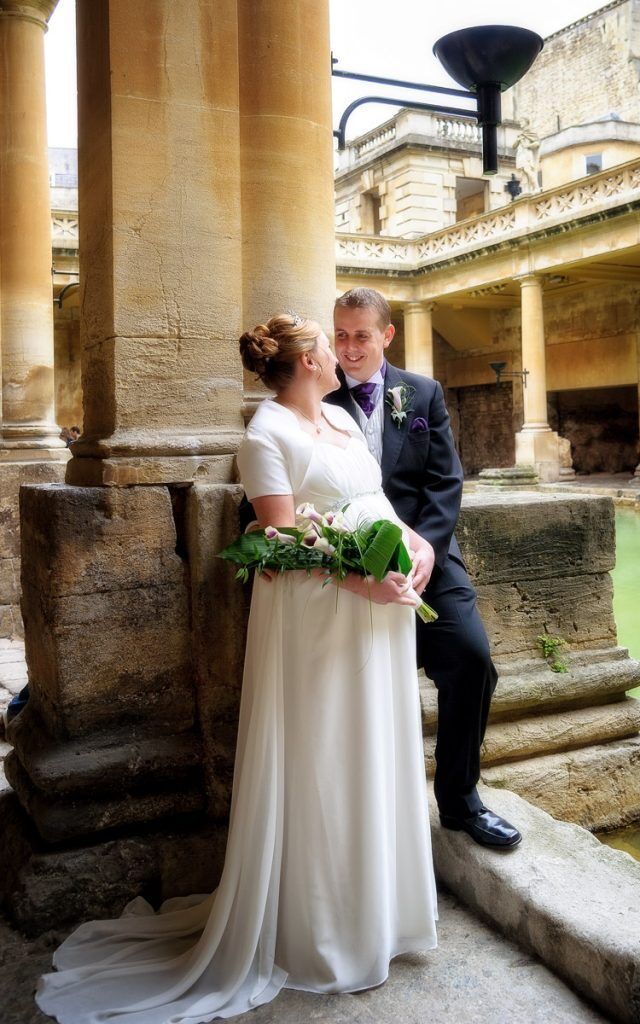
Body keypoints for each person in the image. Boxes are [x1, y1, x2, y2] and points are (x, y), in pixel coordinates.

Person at [35, 314, 438, 1023]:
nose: (337, 349)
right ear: (310, 358)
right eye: (325, 339)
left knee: (376, 750)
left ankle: (386, 915)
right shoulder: (265, 437)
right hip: (318, 616)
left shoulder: (343, 420)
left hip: (382, 609)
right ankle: (324, 934)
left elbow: (371, 502)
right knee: (326, 760)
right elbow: (282, 541)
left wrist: (416, 547)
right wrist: (364, 583)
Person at [325, 287, 522, 850]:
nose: (350, 347)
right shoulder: (316, 394)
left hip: (427, 555)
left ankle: (460, 802)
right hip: (347, 560)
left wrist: (429, 547)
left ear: (387, 335)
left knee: (472, 659)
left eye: (362, 335)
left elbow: (445, 480)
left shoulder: (424, 393)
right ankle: (360, 821)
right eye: (340, 334)